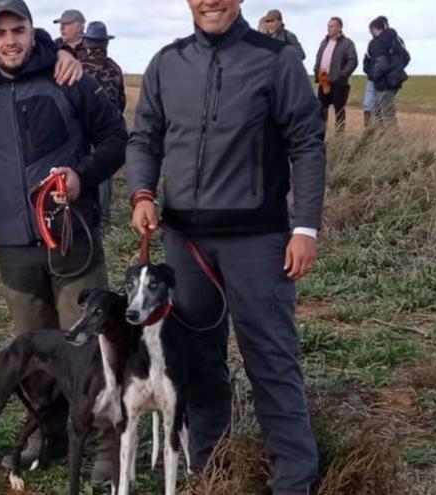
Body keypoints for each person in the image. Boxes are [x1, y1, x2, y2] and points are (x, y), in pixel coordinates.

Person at [127, 0, 326, 493]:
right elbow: (145, 138)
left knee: (271, 357)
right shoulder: (166, 63)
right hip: (184, 242)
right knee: (197, 359)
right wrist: (143, 192)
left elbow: (306, 143)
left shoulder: (275, 61)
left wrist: (305, 228)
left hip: (258, 241)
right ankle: (209, 469)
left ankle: (293, 479)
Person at [0, 0, 128, 481]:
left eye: (19, 30)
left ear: (34, 33)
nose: (10, 40)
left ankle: (106, 446)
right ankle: (47, 435)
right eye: (0, 33)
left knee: (93, 348)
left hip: (72, 237)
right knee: (35, 350)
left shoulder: (68, 78)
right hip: (13, 243)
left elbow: (115, 137)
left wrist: (83, 177)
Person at [81, 21, 126, 225]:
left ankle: (90, 212)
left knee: (84, 169)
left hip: (84, 127)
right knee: (105, 170)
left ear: (87, 42)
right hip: (110, 128)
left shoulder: (79, 67)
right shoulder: (115, 68)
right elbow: (122, 100)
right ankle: (105, 215)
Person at [363, 16, 410, 129]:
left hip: (383, 82)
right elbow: (407, 58)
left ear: (375, 28)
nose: (370, 33)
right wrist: (395, 70)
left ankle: (393, 142)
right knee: (379, 112)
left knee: (386, 115)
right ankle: (382, 141)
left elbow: (381, 64)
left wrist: (374, 76)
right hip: (395, 81)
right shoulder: (397, 40)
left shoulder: (377, 42)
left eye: (371, 30)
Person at [313, 17, 358, 132]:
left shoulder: (347, 43)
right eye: (328, 26)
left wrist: (342, 75)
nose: (328, 28)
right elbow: (319, 57)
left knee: (339, 110)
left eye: (331, 26)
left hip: (338, 83)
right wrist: (316, 69)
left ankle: (339, 137)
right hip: (323, 80)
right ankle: (321, 134)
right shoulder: (324, 42)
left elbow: (353, 61)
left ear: (339, 27)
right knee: (321, 110)